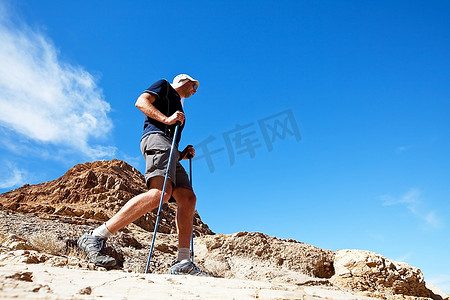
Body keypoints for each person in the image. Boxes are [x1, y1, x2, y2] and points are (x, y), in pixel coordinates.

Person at [78, 74, 207, 276]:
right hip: (157, 139)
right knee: (160, 193)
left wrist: (182, 154)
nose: (195, 90)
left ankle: (183, 262)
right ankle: (95, 236)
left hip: (170, 149)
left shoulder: (179, 106)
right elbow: (141, 102)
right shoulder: (164, 86)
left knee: (188, 198)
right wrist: (166, 119)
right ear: (183, 82)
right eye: (193, 85)